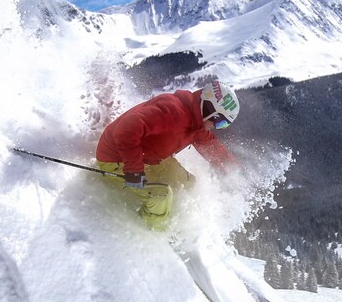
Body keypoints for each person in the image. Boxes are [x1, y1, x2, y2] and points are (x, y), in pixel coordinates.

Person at [96, 80, 239, 228]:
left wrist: (235, 171)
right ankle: (149, 233)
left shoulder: (196, 124)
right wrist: (134, 169)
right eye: (221, 123)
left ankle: (167, 217)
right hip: (117, 158)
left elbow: (212, 147)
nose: (216, 127)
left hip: (149, 157)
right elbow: (126, 130)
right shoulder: (171, 111)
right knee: (161, 195)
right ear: (211, 111)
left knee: (188, 183)